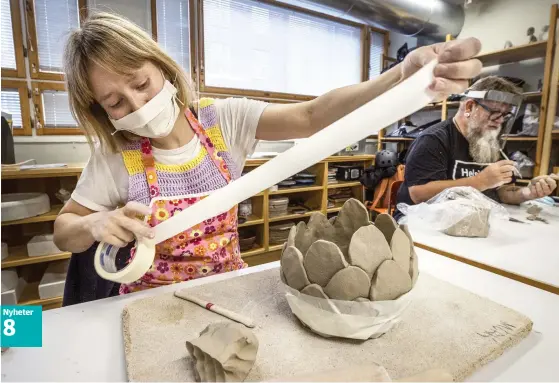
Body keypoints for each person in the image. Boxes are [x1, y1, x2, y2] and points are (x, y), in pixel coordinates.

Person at [53, 11, 483, 294]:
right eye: (116, 103)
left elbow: (313, 115)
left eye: (140, 84)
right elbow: (63, 229)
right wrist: (94, 222)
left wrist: (401, 75)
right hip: (147, 300)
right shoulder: (114, 155)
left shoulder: (222, 121)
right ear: (102, 112)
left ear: (161, 67)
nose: (137, 105)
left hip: (226, 288)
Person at [394, 76, 557, 222]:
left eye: (505, 115)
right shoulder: (434, 140)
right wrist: (480, 181)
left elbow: (500, 191)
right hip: (421, 226)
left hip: (467, 223)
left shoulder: (490, 140)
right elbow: (418, 194)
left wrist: (528, 193)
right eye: (495, 112)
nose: (500, 121)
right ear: (470, 107)